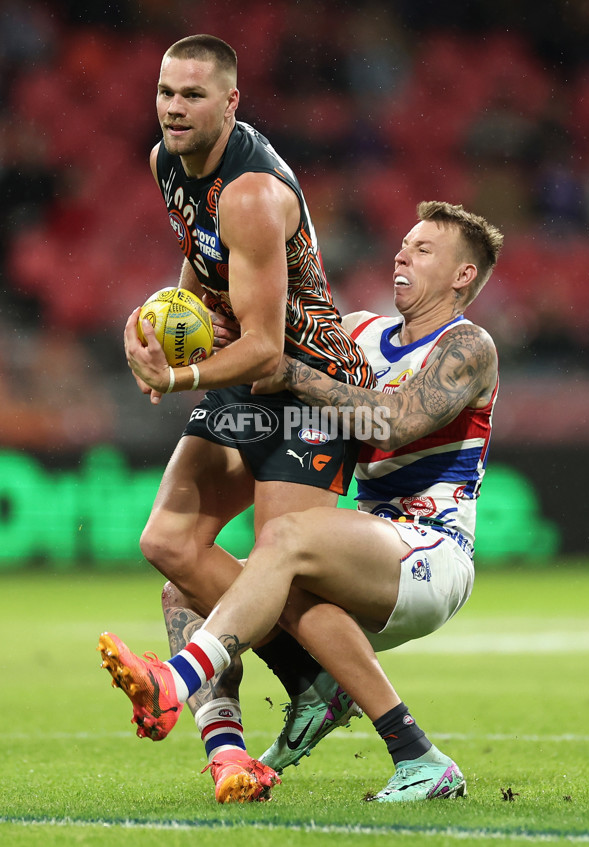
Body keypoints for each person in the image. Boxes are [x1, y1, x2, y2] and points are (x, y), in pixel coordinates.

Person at [100, 200, 504, 803]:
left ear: (461, 275)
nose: (401, 254)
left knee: (286, 537)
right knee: (183, 586)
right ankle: (251, 753)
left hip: (432, 552)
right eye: (402, 242)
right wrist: (174, 347)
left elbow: (394, 421)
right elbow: (259, 343)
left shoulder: (468, 347)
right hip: (364, 546)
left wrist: (290, 372)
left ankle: (174, 680)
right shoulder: (362, 332)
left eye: (423, 249)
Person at [121, 34, 373, 802]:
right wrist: (162, 320)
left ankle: (388, 722)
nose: (173, 108)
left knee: (278, 561)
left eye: (193, 95)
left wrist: (183, 372)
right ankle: (310, 680)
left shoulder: (252, 194)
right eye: (166, 92)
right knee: (167, 540)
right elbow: (202, 268)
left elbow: (265, 348)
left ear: (231, 103)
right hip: (250, 384)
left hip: (312, 389)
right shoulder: (167, 164)